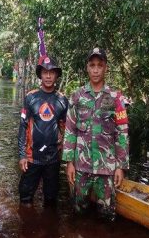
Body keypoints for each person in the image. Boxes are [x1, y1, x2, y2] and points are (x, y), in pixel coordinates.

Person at [63, 47, 129, 221]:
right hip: (81, 167)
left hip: (106, 168)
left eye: (100, 65)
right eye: (92, 65)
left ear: (105, 67)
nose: (96, 69)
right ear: (87, 67)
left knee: (107, 216)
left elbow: (122, 133)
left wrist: (120, 167)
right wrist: (69, 162)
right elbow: (70, 130)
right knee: (78, 212)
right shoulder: (76, 97)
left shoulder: (116, 98)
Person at [17, 56, 69, 207]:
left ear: (56, 75)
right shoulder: (31, 97)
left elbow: (67, 130)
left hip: (53, 159)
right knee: (25, 200)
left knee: (51, 202)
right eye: (45, 72)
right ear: (40, 74)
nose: (48, 76)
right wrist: (22, 155)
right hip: (32, 158)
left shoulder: (62, 100)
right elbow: (23, 127)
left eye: (51, 72)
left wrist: (67, 156)